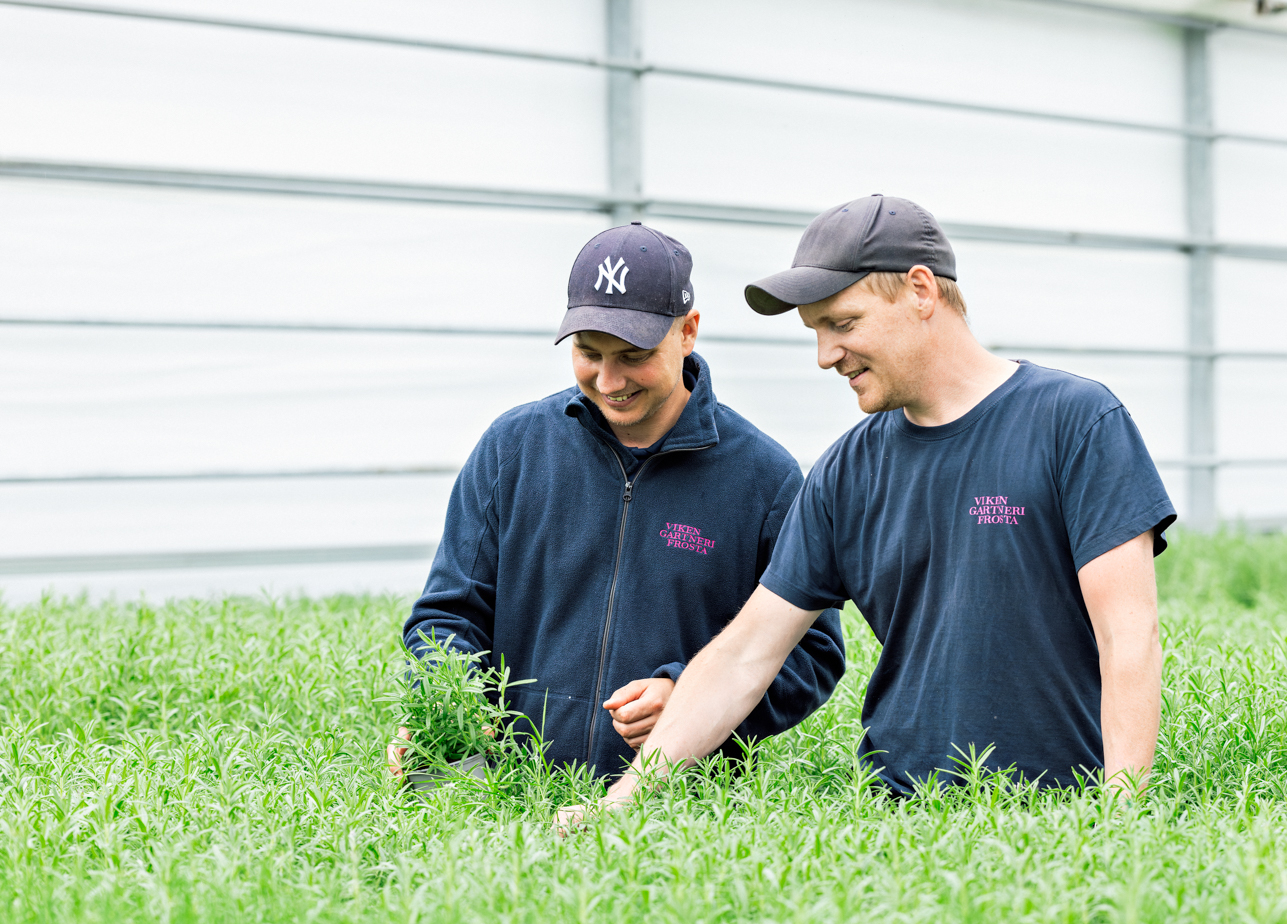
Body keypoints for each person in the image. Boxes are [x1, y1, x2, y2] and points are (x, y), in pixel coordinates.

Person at [559, 194, 1175, 820]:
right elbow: (744, 656)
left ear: (920, 291)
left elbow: (1129, 635)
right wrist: (623, 802)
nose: (826, 354)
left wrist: (1118, 819)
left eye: (844, 324)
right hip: (895, 824)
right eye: (816, 331)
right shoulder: (845, 471)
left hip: (1055, 817)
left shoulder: (1075, 423)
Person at [389, 222, 845, 780]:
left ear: (688, 332)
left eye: (633, 355)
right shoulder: (514, 449)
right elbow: (447, 615)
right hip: (507, 795)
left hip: (676, 809)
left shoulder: (763, 479)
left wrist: (687, 697)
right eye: (588, 352)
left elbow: (813, 651)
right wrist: (446, 706)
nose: (609, 380)